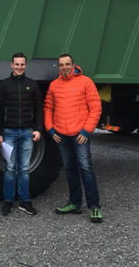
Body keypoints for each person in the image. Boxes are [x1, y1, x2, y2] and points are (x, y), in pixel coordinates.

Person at [44, 53, 103, 223]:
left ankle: (95, 207)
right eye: (61, 64)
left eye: (67, 64)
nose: (64, 67)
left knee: (86, 168)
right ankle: (75, 203)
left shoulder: (85, 82)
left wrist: (86, 131)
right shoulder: (54, 85)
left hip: (79, 135)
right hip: (61, 135)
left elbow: (96, 108)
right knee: (69, 169)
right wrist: (51, 129)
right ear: (58, 66)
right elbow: (48, 108)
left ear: (73, 65)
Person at [0, 52, 44, 216]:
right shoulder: (3, 85)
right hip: (8, 133)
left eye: (22, 64)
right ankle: (8, 201)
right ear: (11, 65)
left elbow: (38, 109)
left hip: (28, 132)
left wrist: (38, 129)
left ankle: (24, 201)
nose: (19, 67)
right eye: (17, 64)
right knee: (9, 168)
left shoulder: (33, 85)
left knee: (23, 168)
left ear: (26, 65)